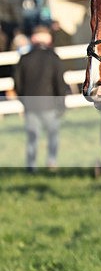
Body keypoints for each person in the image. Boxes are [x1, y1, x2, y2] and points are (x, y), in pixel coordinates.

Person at [14, 25, 69, 172]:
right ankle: (52, 162)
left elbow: (18, 84)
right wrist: (61, 103)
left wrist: (24, 100)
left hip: (31, 104)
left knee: (32, 137)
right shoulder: (53, 58)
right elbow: (60, 83)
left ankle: (31, 166)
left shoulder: (24, 59)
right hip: (50, 104)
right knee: (53, 135)